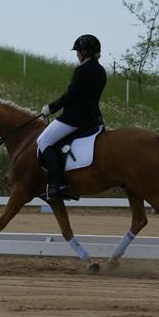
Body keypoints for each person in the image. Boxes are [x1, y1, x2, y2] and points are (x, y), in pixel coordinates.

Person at [37, 34, 107, 200]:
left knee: (43, 141)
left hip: (75, 117)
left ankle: (57, 183)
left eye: (78, 52)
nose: (77, 55)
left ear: (84, 52)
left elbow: (71, 95)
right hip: (94, 118)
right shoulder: (101, 70)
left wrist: (50, 108)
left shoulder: (82, 70)